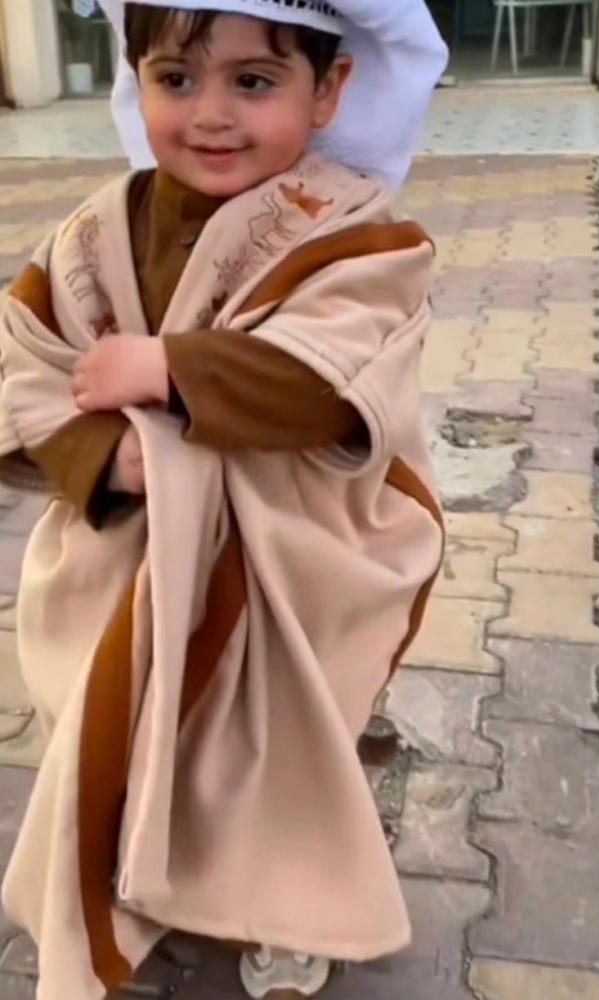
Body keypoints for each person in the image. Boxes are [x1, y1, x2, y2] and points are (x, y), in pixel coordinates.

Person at [0, 2, 448, 998]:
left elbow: (330, 379)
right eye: (176, 79)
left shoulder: (358, 234)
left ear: (328, 92)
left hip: (293, 551)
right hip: (128, 546)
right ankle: (146, 874)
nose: (210, 114)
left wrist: (168, 367)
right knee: (133, 723)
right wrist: (109, 460)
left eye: (253, 81)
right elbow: (26, 369)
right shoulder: (93, 233)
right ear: (135, 82)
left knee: (278, 748)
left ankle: (291, 909)